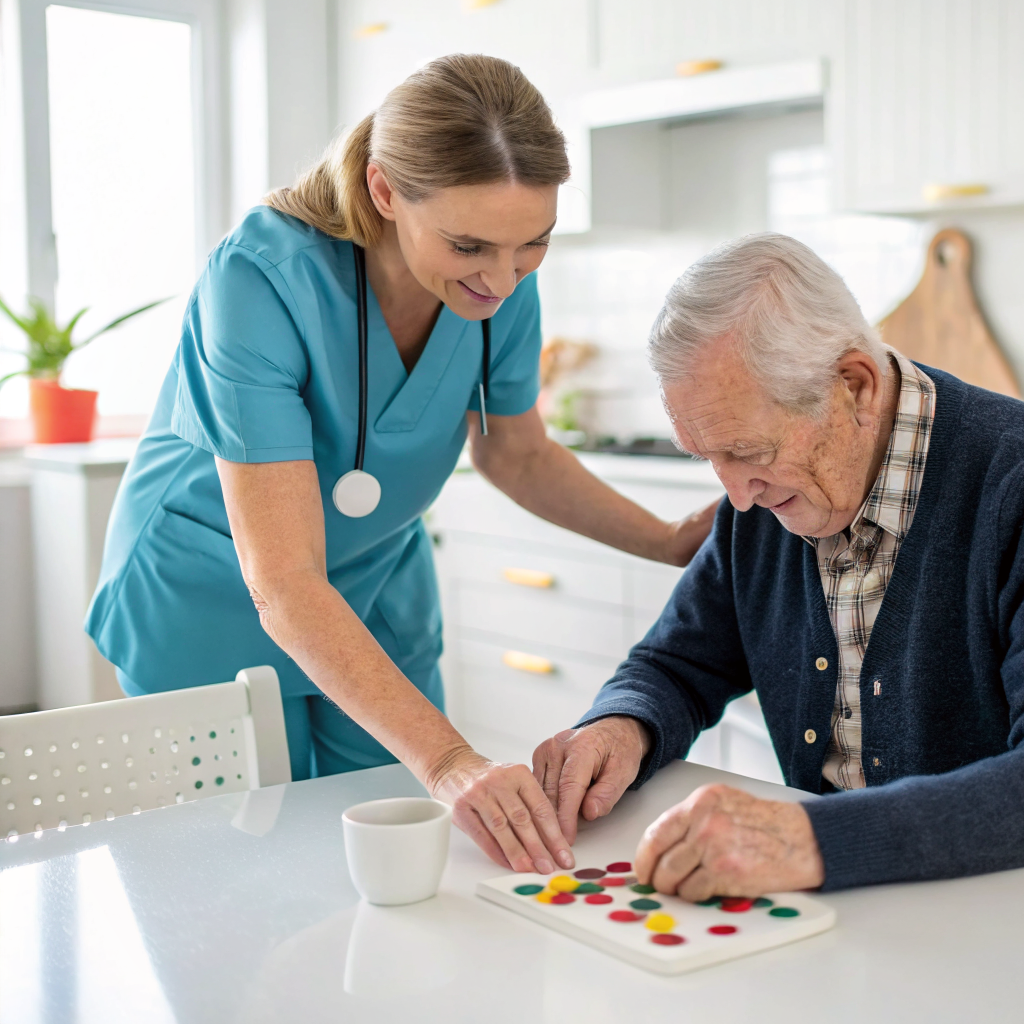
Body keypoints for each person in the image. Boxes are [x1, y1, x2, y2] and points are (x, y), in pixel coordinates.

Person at [85, 55, 715, 877]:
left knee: (398, 870)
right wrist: (453, 761)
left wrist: (668, 540)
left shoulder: (498, 281)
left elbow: (516, 452)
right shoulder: (260, 277)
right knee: (227, 881)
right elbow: (282, 578)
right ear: (385, 192)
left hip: (376, 583)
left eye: (534, 244)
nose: (501, 276)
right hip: (213, 587)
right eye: (469, 245)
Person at [532, 233, 1024, 900]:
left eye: (747, 450)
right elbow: (677, 664)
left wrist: (809, 839)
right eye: (705, 455)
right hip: (867, 904)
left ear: (854, 385)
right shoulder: (765, 499)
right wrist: (621, 725)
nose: (735, 496)